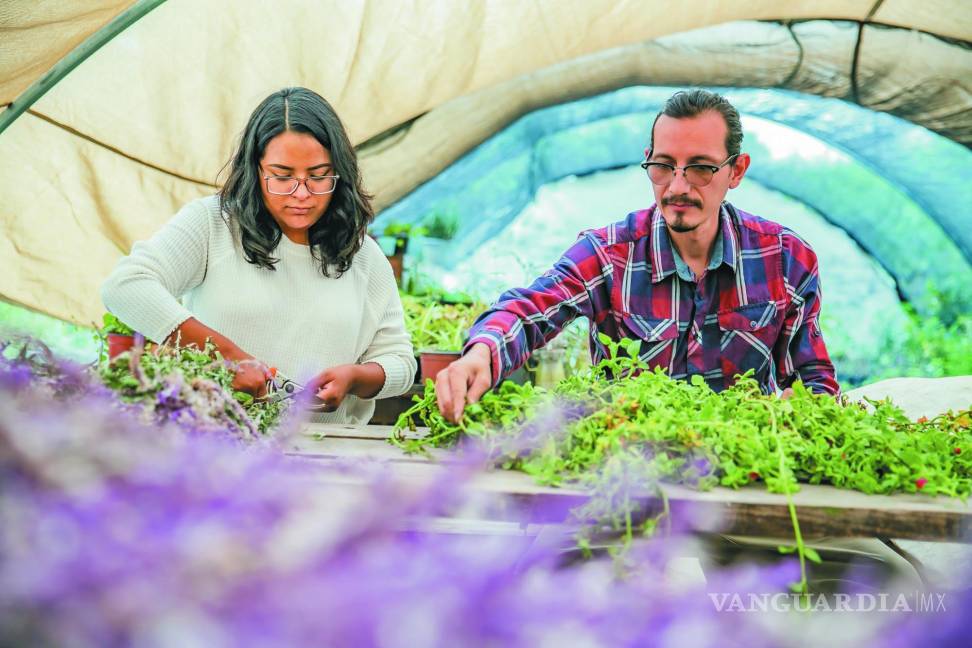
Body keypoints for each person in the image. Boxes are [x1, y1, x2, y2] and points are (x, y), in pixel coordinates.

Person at [436, 88, 838, 422]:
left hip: (748, 471)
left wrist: (803, 406)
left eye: (700, 168)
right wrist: (482, 353)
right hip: (631, 470)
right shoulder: (610, 255)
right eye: (664, 165)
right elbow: (532, 308)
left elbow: (813, 379)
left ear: (736, 171)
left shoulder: (785, 259)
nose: (677, 186)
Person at [102, 87, 416, 423]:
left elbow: (401, 362)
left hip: (327, 454)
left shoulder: (363, 254)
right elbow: (125, 287)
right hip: (215, 444)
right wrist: (227, 357)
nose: (301, 194)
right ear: (256, 169)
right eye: (282, 177)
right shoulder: (213, 225)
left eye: (318, 176)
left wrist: (355, 377)